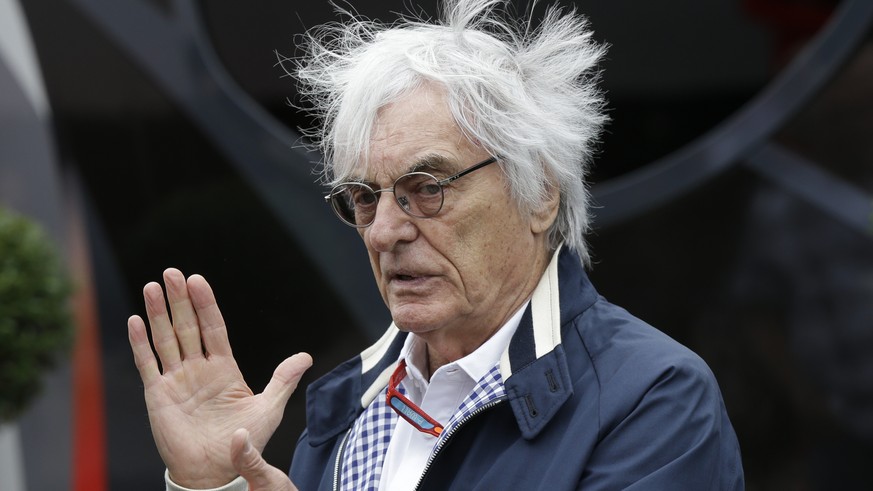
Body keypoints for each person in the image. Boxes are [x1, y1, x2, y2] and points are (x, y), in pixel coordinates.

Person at [127, 0, 745, 489]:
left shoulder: (654, 399)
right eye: (366, 196)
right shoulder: (347, 402)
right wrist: (213, 484)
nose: (384, 230)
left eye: (427, 188)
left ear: (540, 196)